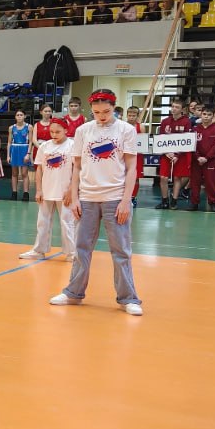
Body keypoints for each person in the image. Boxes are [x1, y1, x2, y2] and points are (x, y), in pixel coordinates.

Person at [50, 89, 143, 316]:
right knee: (82, 248)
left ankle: (128, 298)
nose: (101, 115)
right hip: (88, 198)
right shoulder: (82, 131)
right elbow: (77, 167)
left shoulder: (127, 130)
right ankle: (73, 292)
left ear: (114, 108)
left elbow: (132, 168)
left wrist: (125, 200)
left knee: (121, 250)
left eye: (107, 111)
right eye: (97, 112)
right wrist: (75, 197)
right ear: (90, 110)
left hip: (115, 198)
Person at [20, 117, 76, 261]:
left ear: (65, 130)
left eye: (58, 131)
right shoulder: (45, 147)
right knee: (42, 221)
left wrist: (71, 189)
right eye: (51, 132)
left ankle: (71, 253)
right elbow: (39, 169)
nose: (54, 134)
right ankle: (39, 250)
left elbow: (77, 169)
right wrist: (39, 190)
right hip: (47, 190)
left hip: (65, 191)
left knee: (67, 222)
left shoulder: (72, 145)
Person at [155, 98, 192, 210]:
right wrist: (166, 152)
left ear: (182, 109)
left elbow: (187, 141)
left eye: (177, 107)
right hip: (166, 154)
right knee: (163, 177)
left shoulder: (186, 122)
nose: (174, 109)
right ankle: (164, 200)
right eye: (173, 106)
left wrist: (177, 155)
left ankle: (174, 201)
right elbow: (160, 139)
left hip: (180, 155)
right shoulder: (165, 121)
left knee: (177, 178)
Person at [188, 108, 215, 212]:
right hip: (196, 160)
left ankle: (213, 203)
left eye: (209, 114)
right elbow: (192, 145)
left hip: (210, 160)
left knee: (210, 182)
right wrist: (198, 157)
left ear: (213, 116)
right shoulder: (194, 129)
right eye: (204, 114)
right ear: (201, 115)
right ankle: (194, 203)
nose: (206, 116)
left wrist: (206, 158)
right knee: (195, 182)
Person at [7, 109, 32, 201]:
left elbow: (30, 142)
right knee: (14, 173)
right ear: (15, 117)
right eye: (17, 115)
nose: (19, 116)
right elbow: (9, 142)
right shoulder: (11, 128)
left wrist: (28, 154)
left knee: (25, 173)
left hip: (24, 149)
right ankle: (14, 192)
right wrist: (8, 155)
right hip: (14, 149)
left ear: (24, 116)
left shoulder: (29, 127)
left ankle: (26, 193)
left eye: (21, 115)